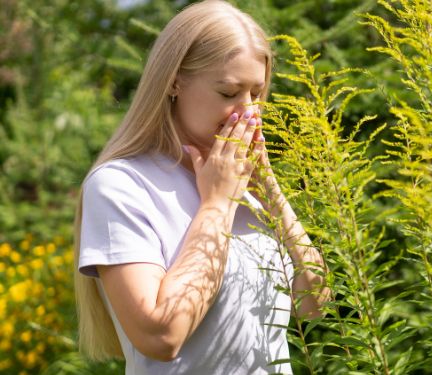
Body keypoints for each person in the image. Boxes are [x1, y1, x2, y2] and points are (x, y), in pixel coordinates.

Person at [72, 1, 330, 374]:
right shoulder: (121, 186)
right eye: (229, 93)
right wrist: (217, 204)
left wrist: (271, 192)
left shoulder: (243, 182)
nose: (249, 113)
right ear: (174, 80)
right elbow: (162, 335)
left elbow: (315, 306)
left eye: (256, 94)